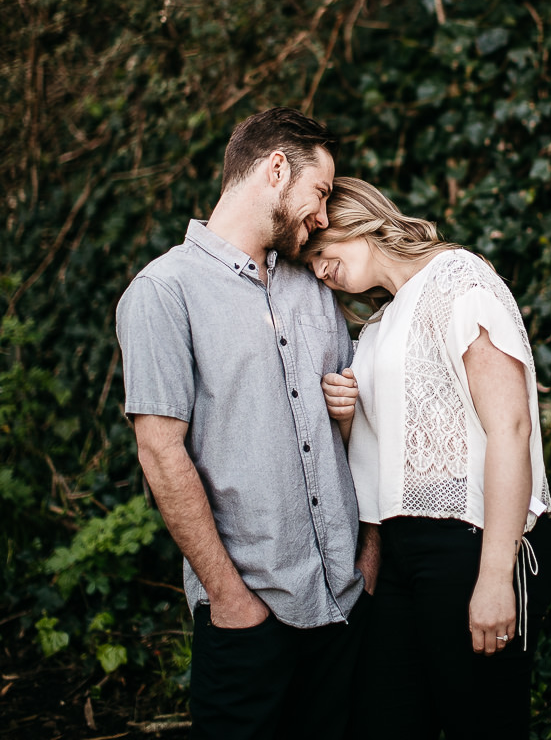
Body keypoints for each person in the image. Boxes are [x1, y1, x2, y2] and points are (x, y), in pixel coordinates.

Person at [116, 109, 376, 740]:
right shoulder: (163, 293)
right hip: (248, 619)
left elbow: (349, 436)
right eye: (319, 193)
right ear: (276, 168)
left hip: (343, 607)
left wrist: (367, 556)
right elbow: (160, 455)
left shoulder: (312, 288)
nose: (322, 216)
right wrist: (228, 596)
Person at [303, 177, 551, 740]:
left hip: (473, 543)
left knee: (480, 724)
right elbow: (385, 452)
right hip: (397, 555)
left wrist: (494, 578)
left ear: (358, 222)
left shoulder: (460, 280)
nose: (320, 270)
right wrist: (347, 414)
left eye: (321, 252)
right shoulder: (378, 325)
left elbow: (511, 428)